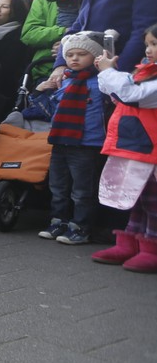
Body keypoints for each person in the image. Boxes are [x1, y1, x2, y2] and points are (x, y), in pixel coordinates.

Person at [90, 23, 157, 271]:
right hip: (136, 146)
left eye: (154, 44)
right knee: (135, 197)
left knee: (153, 201)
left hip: (150, 149)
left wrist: (109, 72)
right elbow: (118, 94)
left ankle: (151, 248)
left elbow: (133, 95)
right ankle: (130, 243)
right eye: (148, 44)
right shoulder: (146, 71)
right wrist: (109, 72)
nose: (148, 50)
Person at [36, 33, 106, 246]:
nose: (74, 58)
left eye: (81, 54)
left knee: (82, 190)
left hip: (86, 143)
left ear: (95, 57)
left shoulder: (101, 81)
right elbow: (50, 109)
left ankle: (81, 226)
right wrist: (41, 92)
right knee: (58, 186)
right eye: (70, 55)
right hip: (60, 140)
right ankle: (59, 221)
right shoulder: (64, 81)